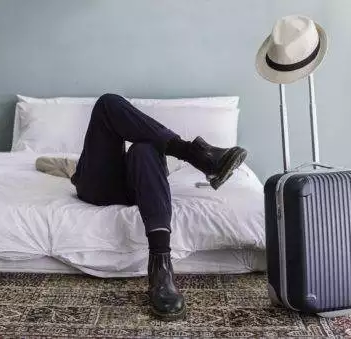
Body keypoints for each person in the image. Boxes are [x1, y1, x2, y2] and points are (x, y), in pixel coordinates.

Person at [70, 93, 247, 321]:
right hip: (99, 185)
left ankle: (161, 270)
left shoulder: (146, 147)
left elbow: (146, 150)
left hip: (139, 183)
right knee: (108, 103)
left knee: (144, 148)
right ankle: (196, 155)